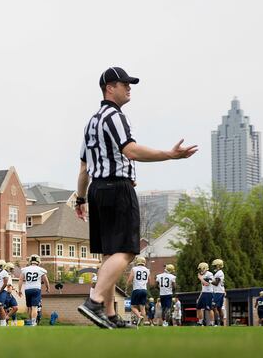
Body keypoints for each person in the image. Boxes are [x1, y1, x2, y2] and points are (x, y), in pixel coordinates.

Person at [75, 66, 197, 329]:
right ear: (110, 88)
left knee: (109, 254)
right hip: (117, 189)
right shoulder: (116, 116)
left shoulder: (91, 122)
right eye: (124, 83)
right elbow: (130, 150)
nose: (129, 87)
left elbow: (84, 167)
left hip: (96, 189)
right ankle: (94, 300)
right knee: (127, 250)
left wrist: (80, 199)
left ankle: (108, 315)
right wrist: (170, 154)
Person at [19, 254, 50, 327]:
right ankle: (33, 322)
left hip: (27, 289)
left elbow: (20, 280)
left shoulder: (25, 269)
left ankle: (30, 321)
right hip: (36, 289)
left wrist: (19, 290)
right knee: (34, 307)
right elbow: (45, 280)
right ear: (38, 261)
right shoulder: (41, 270)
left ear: (30, 261)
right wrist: (48, 288)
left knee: (29, 307)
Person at [127, 256, 149, 326]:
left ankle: (139, 317)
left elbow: (130, 279)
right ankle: (143, 322)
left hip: (136, 289)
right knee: (142, 308)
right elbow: (149, 280)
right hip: (144, 290)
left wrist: (127, 285)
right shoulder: (147, 270)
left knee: (133, 307)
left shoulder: (134, 269)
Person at [0, 260, 11, 326]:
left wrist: (0, 291)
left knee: (1, 307)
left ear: (3, 266)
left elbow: (5, 283)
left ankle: (3, 323)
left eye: (0, 265)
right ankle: (1, 323)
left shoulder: (5, 272)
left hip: (2, 291)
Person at [211, 259, 226, 326]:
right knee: (219, 308)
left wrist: (209, 281)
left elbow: (216, 283)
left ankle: (216, 323)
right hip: (220, 291)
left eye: (215, 266)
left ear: (218, 266)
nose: (214, 267)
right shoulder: (219, 273)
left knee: (214, 306)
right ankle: (222, 323)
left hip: (218, 292)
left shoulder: (219, 273)